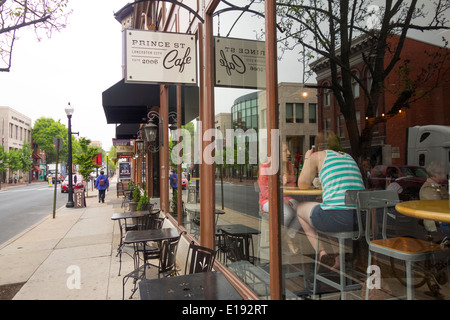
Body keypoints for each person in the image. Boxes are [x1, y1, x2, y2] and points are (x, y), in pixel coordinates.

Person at [296, 133, 365, 270]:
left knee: (300, 209)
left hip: (338, 218)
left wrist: (307, 158)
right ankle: (339, 260)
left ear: (318, 146)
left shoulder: (317, 156)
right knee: (328, 209)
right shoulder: (349, 157)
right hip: (361, 218)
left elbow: (302, 184)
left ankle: (321, 252)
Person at [258, 142, 301, 253]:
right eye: (285, 150)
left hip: (284, 197)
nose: (289, 153)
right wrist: (281, 198)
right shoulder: (265, 166)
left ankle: (287, 236)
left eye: (288, 150)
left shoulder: (289, 166)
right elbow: (265, 191)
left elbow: (292, 186)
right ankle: (281, 240)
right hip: (268, 200)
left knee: (300, 209)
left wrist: (286, 184)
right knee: (288, 213)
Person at [419, 161, 449, 235]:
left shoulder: (440, 187)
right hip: (437, 224)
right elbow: (439, 205)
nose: (444, 175)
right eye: (441, 173)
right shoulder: (427, 188)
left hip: (444, 220)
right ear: (433, 175)